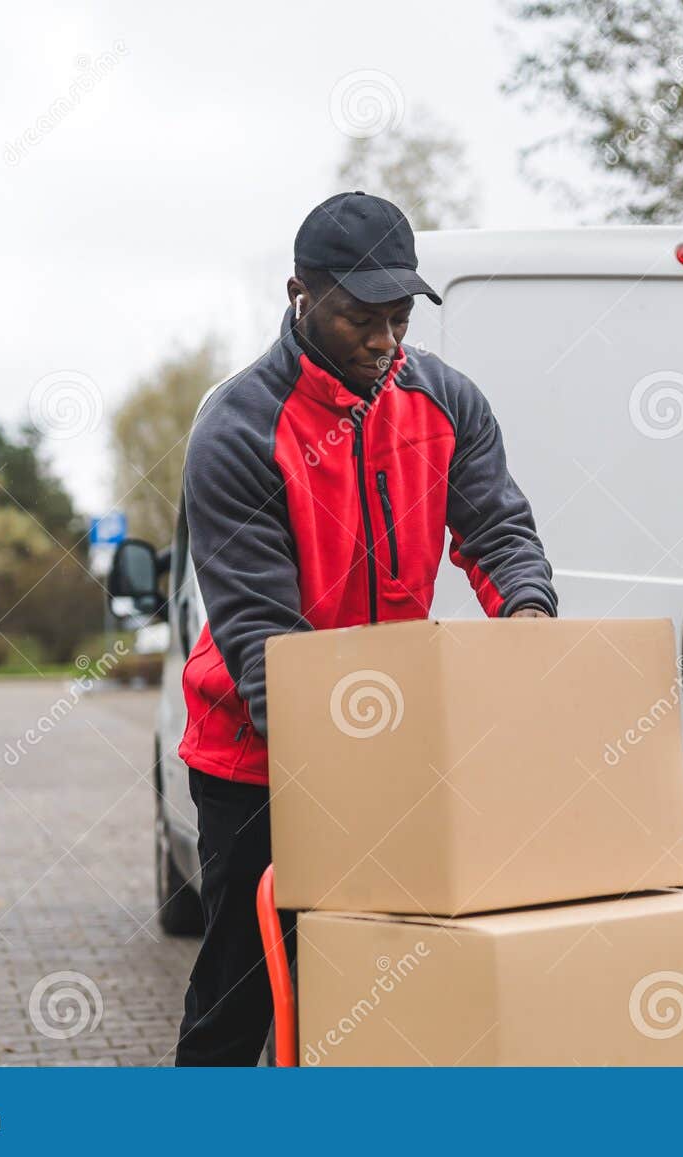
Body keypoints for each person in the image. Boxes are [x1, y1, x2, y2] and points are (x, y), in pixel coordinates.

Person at [173, 191, 557, 1065]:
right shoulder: (237, 430)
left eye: (399, 317)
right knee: (243, 992)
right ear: (300, 296)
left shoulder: (444, 400)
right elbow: (269, 644)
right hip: (257, 758)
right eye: (361, 319)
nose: (385, 342)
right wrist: (358, 768)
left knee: (373, 991)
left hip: (390, 745)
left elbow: (497, 530)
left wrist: (528, 617)